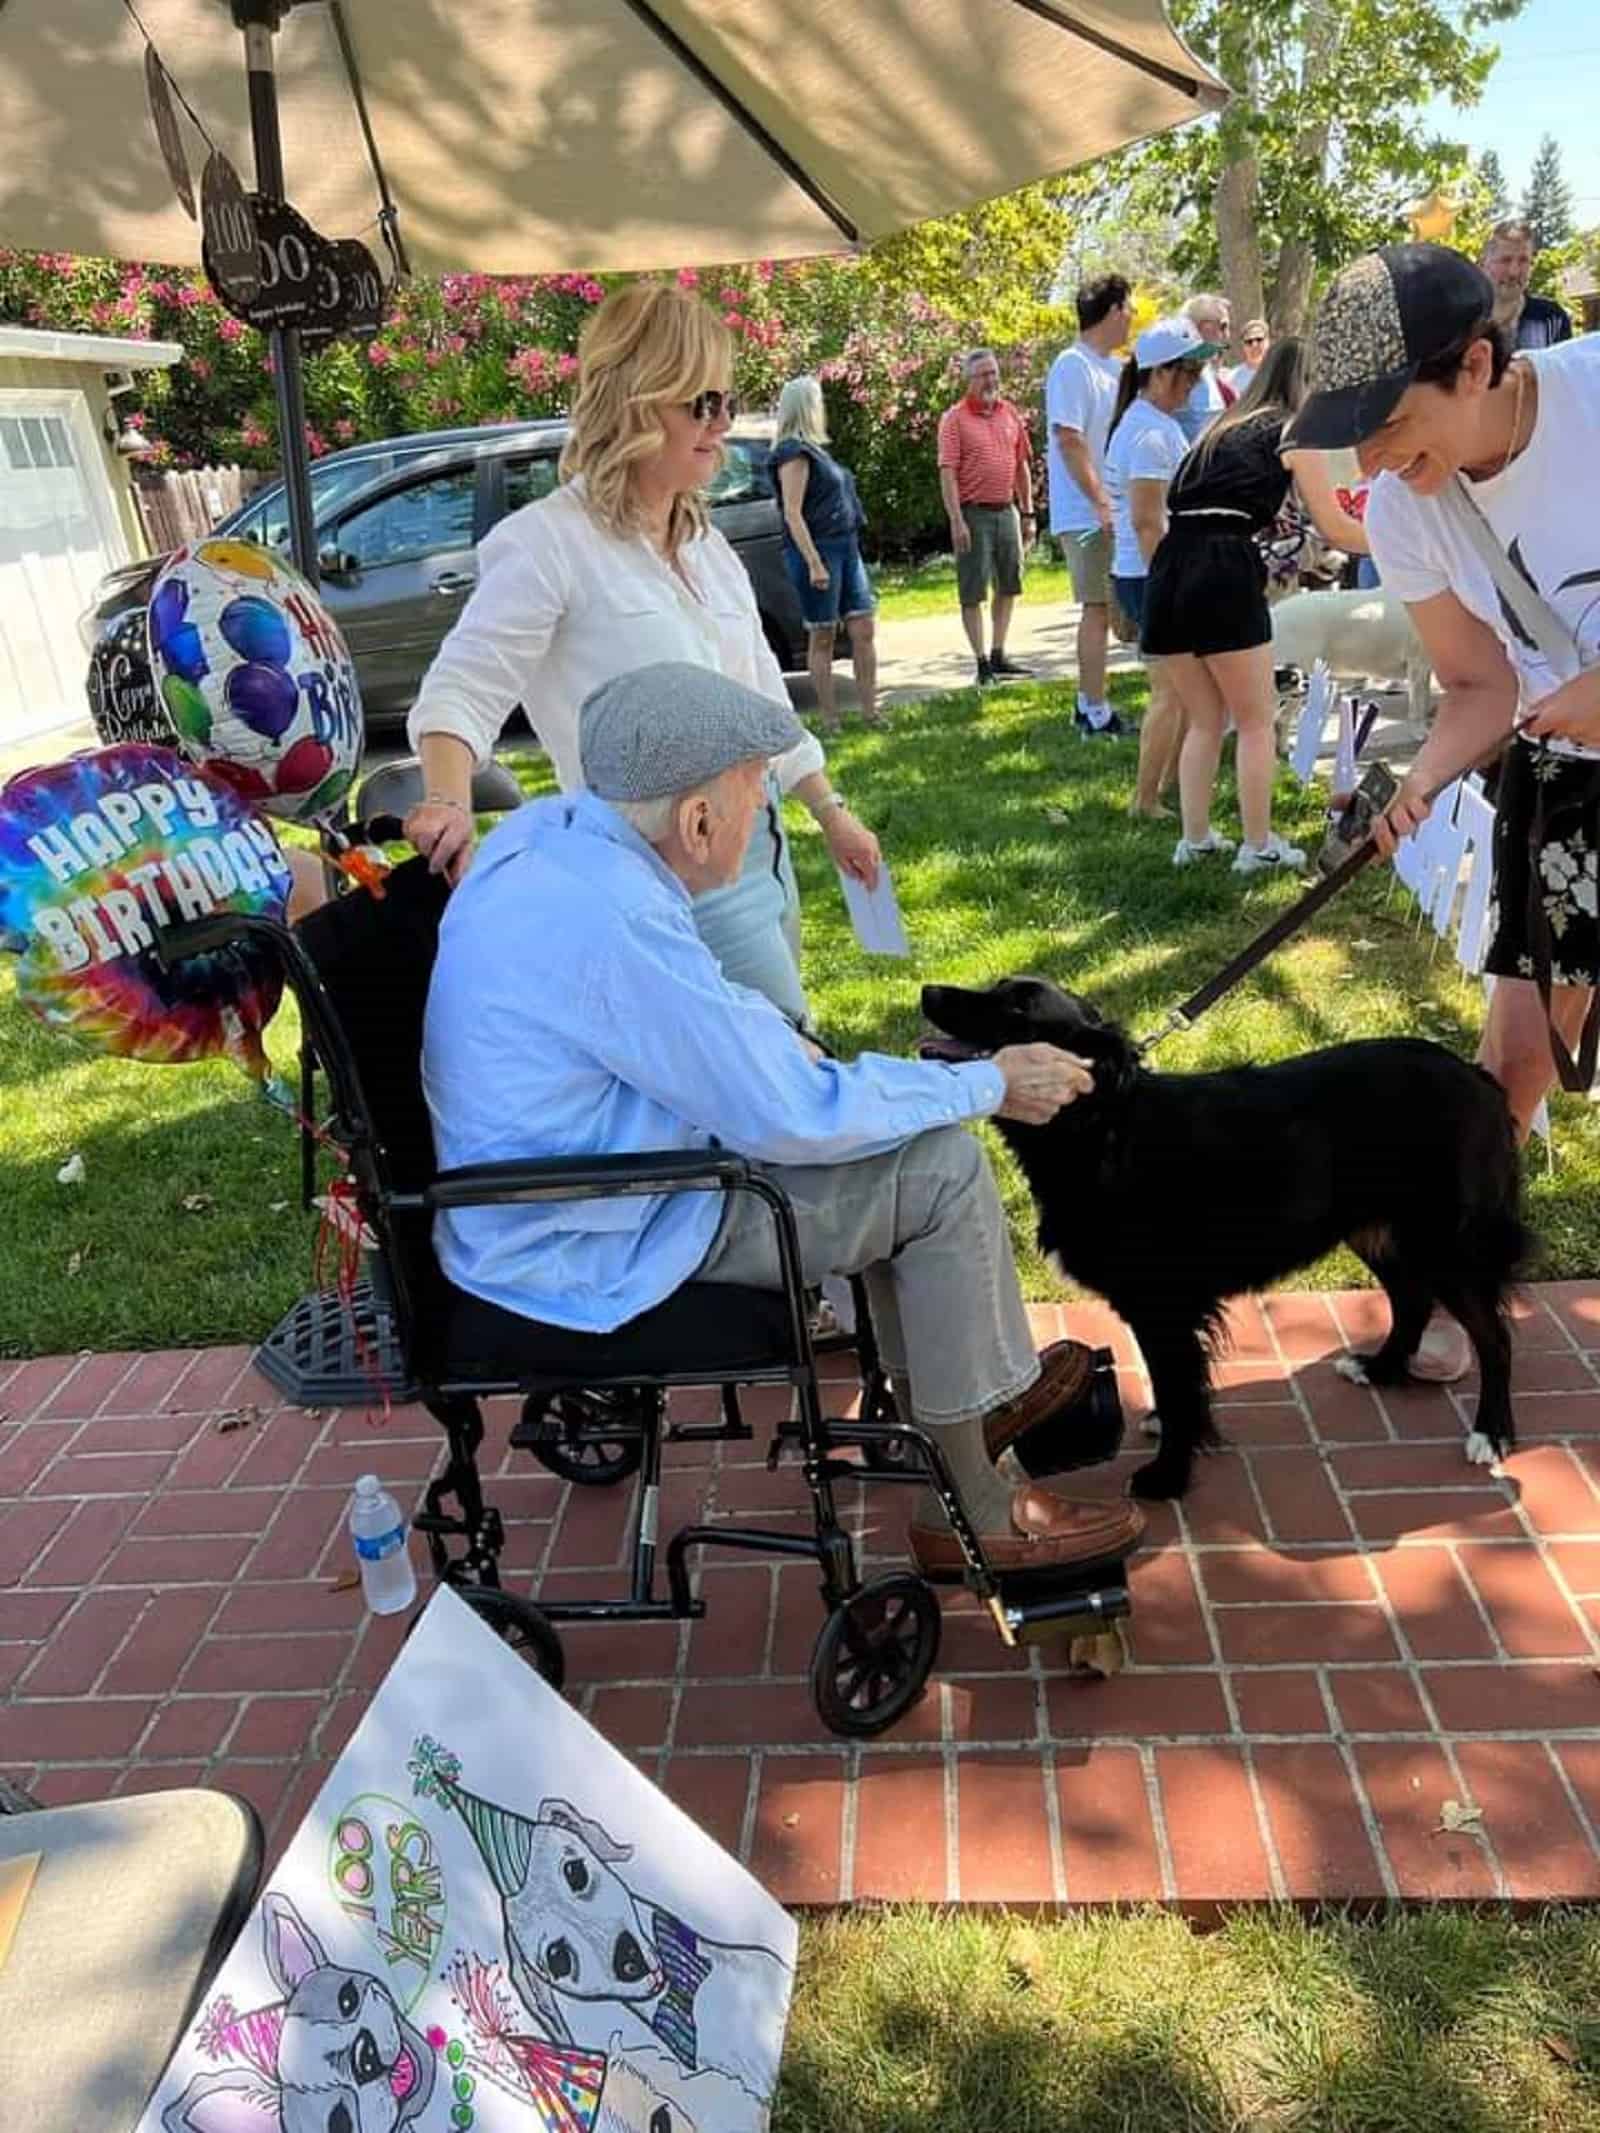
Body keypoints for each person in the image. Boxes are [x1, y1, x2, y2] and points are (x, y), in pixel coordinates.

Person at [423, 661, 1146, 1577]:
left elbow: (692, 1021)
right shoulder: (615, 921)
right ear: (696, 819)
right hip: (596, 1238)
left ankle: (957, 1409)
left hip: (541, 1209)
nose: (768, 810)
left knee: (900, 1146)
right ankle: (975, 1492)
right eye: (758, 791)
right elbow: (795, 1118)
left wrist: (771, 1037)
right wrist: (990, 1081)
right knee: (941, 1172)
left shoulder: (553, 836)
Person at [401, 281, 880, 1031]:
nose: (723, 423)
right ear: (634, 400)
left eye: (727, 401)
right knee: (776, 1079)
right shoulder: (546, 544)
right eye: (702, 404)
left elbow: (762, 704)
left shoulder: (705, 545)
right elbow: (461, 691)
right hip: (659, 879)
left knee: (770, 1071)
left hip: (761, 849)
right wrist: (449, 802)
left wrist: (830, 812)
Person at [1287, 239, 1600, 1377]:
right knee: (1514, 1052)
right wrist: (1417, 783)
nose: (1368, 454)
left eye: (1385, 417)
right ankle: (1456, 1285)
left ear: (1476, 365)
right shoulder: (1410, 506)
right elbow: (1480, 683)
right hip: (1562, 777)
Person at [1144, 336, 1373, 873]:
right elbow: (1334, 525)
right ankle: (1259, 843)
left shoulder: (1216, 431)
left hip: (1171, 568)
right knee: (1255, 719)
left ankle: (1195, 838)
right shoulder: (1296, 432)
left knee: (1204, 718)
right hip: (1223, 567)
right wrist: (1401, 540)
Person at [1103, 317, 1221, 819]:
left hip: (1149, 574)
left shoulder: (1150, 424)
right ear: (1160, 373)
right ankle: (1145, 800)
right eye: (1187, 373)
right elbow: (1148, 522)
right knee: (1170, 693)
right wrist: (1175, 585)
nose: (1194, 384)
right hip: (1152, 575)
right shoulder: (1150, 434)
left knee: (1183, 691)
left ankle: (1168, 787)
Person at [1044, 273, 1134, 737]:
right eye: (1129, 309)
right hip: (1086, 512)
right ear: (1114, 311)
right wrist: (1101, 501)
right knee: (1097, 608)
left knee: (1119, 610)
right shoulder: (1071, 366)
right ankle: (1092, 709)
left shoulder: (1115, 369)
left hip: (1116, 508)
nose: (1133, 318)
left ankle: (1095, 701)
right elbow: (1068, 438)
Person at [769, 376, 882, 734]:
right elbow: (792, 511)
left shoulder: (818, 451)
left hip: (846, 546)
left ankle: (870, 712)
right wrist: (814, 562)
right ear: (806, 406)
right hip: (818, 550)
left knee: (863, 627)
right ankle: (831, 719)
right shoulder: (793, 453)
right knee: (822, 636)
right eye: (817, 401)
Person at [937, 350, 1037, 689]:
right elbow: (947, 473)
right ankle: (981, 663)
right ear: (969, 380)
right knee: (973, 590)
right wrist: (956, 520)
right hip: (972, 513)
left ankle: (998, 653)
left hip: (1005, 509)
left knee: (1009, 584)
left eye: (993, 373)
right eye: (983, 375)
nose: (991, 380)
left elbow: (1021, 464)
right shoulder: (955, 419)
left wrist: (1027, 512)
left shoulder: (1010, 414)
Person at [1480, 219, 1573, 352]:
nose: (1514, 272)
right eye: (1505, 260)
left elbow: (1563, 370)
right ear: (1484, 263)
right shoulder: (1465, 319)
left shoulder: (1552, 318)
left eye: (1523, 260)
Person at [1174, 292, 1234, 444]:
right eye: (1223, 326)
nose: (1227, 334)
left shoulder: (1207, 370)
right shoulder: (1171, 372)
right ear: (1204, 327)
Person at [1228, 319, 1269, 397]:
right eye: (1249, 341)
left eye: (1259, 339)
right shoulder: (1232, 378)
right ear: (1243, 346)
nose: (1254, 345)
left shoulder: (1278, 374)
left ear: (1268, 342)